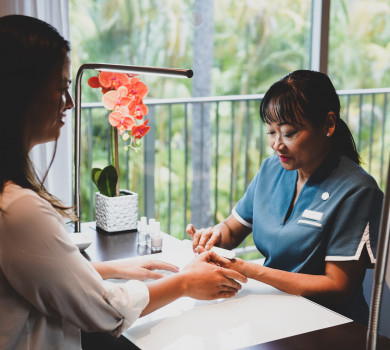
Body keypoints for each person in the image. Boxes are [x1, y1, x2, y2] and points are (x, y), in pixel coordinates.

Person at [0, 14, 247, 350]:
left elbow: (41, 274)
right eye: (60, 88)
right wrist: (184, 283)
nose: (69, 103)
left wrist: (109, 269)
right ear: (22, 92)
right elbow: (100, 310)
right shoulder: (18, 209)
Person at [187, 70, 384, 325]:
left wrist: (249, 270)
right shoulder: (271, 170)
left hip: (328, 327)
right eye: (271, 132)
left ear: (328, 124)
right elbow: (232, 231)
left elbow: (337, 287)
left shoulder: (357, 190)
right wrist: (213, 236)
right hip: (270, 315)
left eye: (289, 133)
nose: (277, 144)